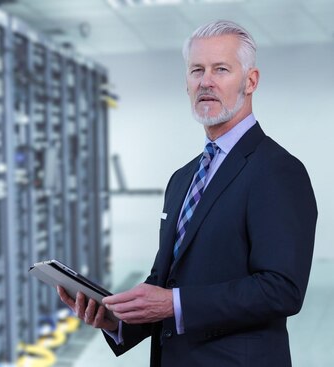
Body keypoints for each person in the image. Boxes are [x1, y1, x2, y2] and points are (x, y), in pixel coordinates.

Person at [57, 20, 318, 367]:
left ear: (250, 81)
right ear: (186, 83)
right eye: (197, 70)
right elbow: (165, 282)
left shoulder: (277, 170)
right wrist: (117, 320)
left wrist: (175, 304)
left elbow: (281, 289)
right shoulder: (183, 178)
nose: (205, 81)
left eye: (220, 69)